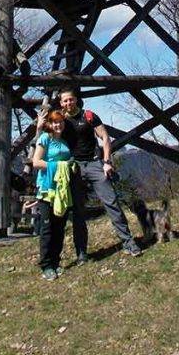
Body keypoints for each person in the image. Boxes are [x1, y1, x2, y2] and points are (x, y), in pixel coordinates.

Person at [38, 86, 141, 262]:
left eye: (71, 99)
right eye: (65, 100)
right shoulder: (61, 119)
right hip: (74, 167)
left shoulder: (89, 115)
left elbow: (105, 138)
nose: (68, 103)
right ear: (61, 103)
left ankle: (128, 242)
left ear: (76, 99)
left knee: (111, 202)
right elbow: (46, 139)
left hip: (94, 164)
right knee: (78, 212)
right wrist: (39, 127)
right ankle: (81, 253)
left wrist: (107, 162)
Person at [32, 109, 74, 280]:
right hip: (47, 189)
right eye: (55, 122)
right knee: (47, 228)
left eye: (60, 122)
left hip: (62, 189)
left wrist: (69, 164)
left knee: (59, 227)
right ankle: (46, 265)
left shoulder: (64, 141)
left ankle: (55, 262)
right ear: (50, 124)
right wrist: (60, 165)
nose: (58, 125)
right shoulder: (45, 138)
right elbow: (36, 162)